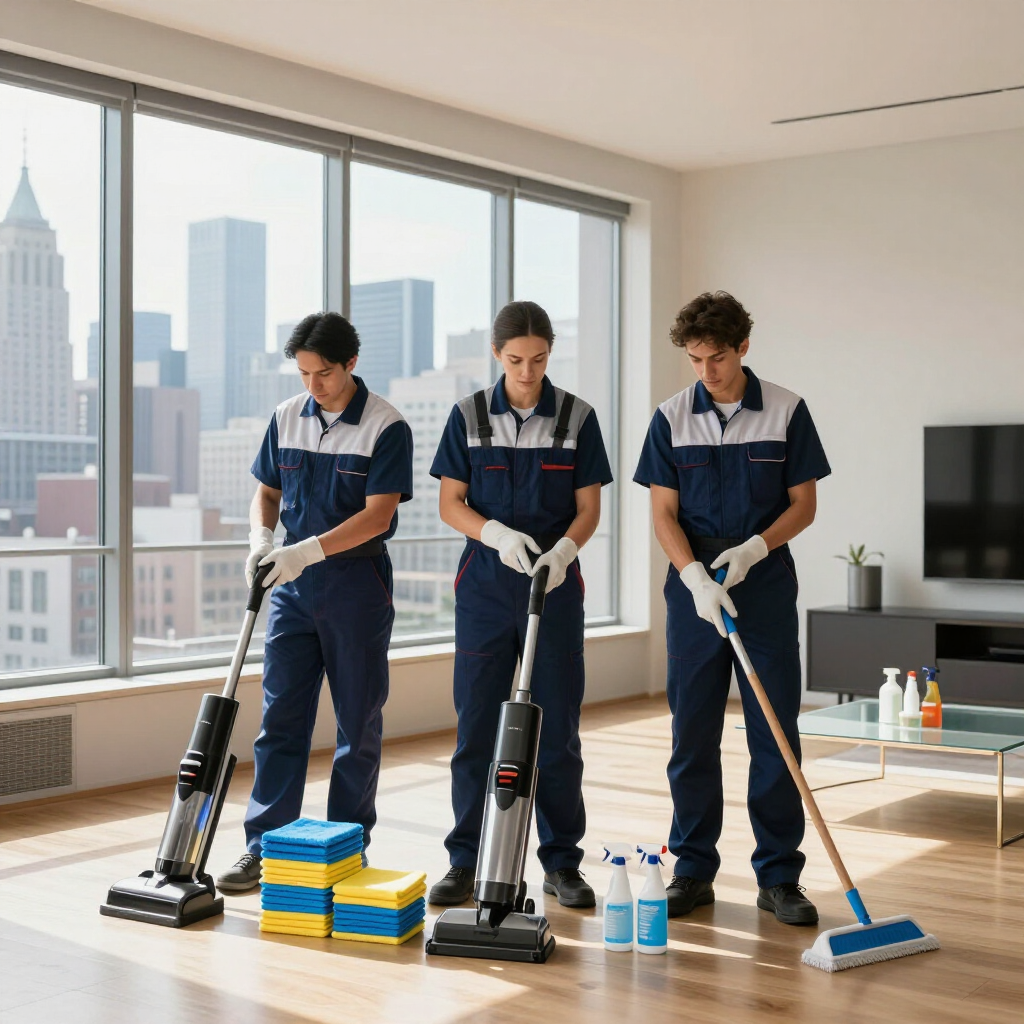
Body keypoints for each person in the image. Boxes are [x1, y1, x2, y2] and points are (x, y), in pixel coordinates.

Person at [633, 291, 830, 925]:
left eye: (716, 357)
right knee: (692, 731)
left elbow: (803, 504)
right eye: (694, 360)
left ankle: (779, 876)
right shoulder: (670, 418)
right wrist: (692, 574)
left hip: (763, 579)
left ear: (743, 347)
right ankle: (692, 869)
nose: (706, 372)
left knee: (774, 730)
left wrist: (752, 550)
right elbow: (662, 513)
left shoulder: (787, 410)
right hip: (694, 586)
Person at [216, 312, 413, 893]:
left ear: (351, 364)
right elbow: (268, 491)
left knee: (358, 723)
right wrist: (262, 540)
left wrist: (306, 552)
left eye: (323, 373)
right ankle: (264, 848)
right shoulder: (285, 416)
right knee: (280, 721)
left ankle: (348, 850)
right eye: (303, 373)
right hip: (291, 592)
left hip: (355, 586)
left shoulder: (386, 425)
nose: (312, 386)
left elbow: (379, 515)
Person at [427, 300, 614, 909]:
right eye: (515, 360)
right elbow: (450, 503)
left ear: (549, 353)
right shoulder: (468, 416)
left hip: (555, 587)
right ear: (496, 354)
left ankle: (562, 862)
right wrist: (496, 535)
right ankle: (466, 859)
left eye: (537, 360)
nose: (527, 372)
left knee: (556, 730)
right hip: (484, 586)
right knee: (476, 727)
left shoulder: (578, 418)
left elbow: (589, 508)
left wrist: (562, 553)